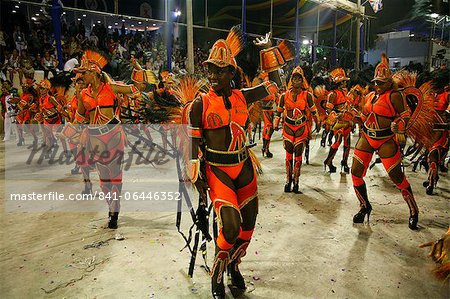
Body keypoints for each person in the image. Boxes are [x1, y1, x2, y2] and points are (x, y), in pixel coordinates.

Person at [187, 29, 279, 298]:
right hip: (218, 171)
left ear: (232, 73)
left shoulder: (242, 96)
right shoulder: (200, 104)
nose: (213, 76)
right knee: (230, 226)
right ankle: (217, 273)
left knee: (248, 225)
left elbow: (275, 87)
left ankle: (234, 265)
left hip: (245, 167)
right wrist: (197, 177)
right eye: (210, 71)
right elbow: (192, 144)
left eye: (219, 71)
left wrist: (267, 50)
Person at [351, 53, 419, 230]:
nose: (376, 85)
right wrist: (355, 118)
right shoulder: (370, 96)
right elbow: (366, 115)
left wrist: (399, 125)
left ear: (389, 82)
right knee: (356, 172)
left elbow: (405, 114)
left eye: (380, 82)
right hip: (367, 137)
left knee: (396, 176)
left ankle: (413, 210)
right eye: (375, 82)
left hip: (386, 139)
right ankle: (365, 206)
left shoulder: (394, 95)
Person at [74, 49, 138, 229]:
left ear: (94, 72)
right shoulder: (83, 95)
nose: (81, 77)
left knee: (115, 175)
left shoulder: (110, 88)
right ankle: (110, 205)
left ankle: (115, 210)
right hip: (94, 139)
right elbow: (80, 117)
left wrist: (137, 69)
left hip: (113, 137)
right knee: (104, 180)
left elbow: (136, 89)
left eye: (84, 73)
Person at [274, 66, 319, 193]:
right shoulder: (284, 96)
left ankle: (296, 182)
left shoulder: (307, 95)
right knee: (288, 155)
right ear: (291, 80)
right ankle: (288, 180)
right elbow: (278, 112)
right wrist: (275, 123)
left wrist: (318, 122)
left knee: (298, 154)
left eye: (299, 78)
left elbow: (314, 111)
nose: (297, 80)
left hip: (301, 128)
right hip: (288, 127)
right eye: (295, 78)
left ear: (303, 80)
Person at [324, 68, 353, 173]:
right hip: (339, 123)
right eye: (343, 81)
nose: (345, 83)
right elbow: (328, 110)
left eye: (345, 81)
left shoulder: (344, 92)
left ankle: (344, 163)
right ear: (339, 83)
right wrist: (336, 116)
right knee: (337, 141)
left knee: (347, 143)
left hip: (347, 121)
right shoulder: (332, 94)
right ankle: (328, 161)